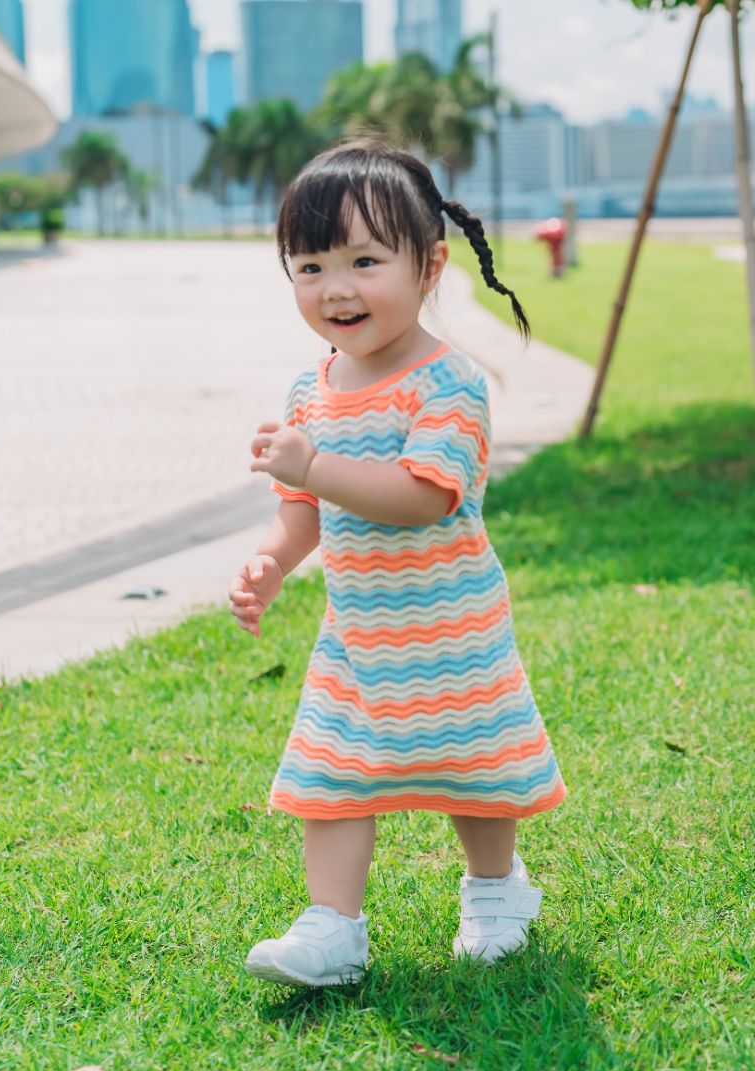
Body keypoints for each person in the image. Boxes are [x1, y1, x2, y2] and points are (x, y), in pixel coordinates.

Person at [229, 139, 566, 987]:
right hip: (358, 638)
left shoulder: (449, 383)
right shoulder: (311, 392)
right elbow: (301, 516)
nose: (335, 287)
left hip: (452, 628)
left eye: (363, 260)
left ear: (431, 266)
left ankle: (497, 893)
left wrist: (314, 467)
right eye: (309, 266)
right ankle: (331, 925)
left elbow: (423, 496)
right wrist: (272, 560)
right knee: (329, 777)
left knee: (475, 773)